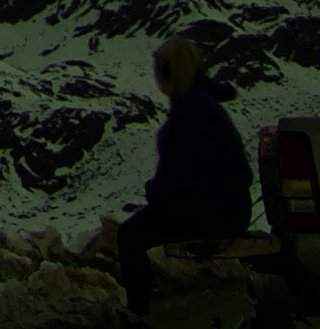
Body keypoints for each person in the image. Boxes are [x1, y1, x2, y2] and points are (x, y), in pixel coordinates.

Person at [103, 35, 252, 325]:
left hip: (208, 213)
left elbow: (179, 178)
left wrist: (153, 192)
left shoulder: (189, 110)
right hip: (229, 209)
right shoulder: (204, 103)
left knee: (130, 236)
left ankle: (138, 313)